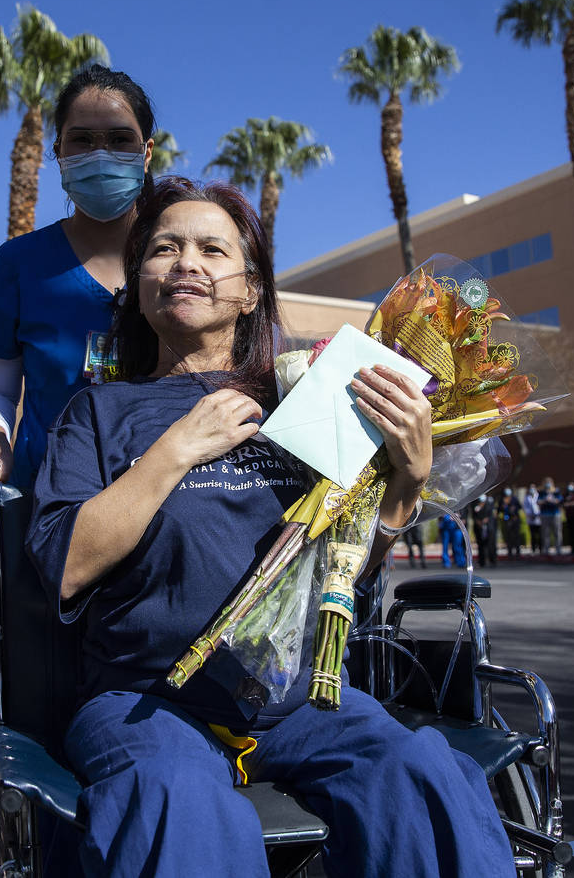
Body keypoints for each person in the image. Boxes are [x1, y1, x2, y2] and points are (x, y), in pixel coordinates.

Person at [27, 178, 513, 877]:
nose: (186, 261)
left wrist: (404, 483)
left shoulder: (305, 398)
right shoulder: (98, 413)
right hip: (146, 701)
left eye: (211, 248)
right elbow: (68, 563)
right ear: (139, 285)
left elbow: (342, 568)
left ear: (250, 290)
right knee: (176, 800)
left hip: (301, 701)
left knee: (419, 771)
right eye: (164, 248)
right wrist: (172, 451)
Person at [0, 65, 156, 493]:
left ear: (146, 153)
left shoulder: (182, 260)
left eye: (120, 139)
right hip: (49, 511)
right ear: (59, 152)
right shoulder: (19, 263)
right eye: (82, 139)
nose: (101, 154)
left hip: (169, 511)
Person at [538, 477, 563, 557]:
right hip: (545, 515)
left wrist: (552, 500)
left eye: (549, 482)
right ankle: (546, 549)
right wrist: (545, 500)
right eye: (546, 482)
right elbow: (538, 502)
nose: (548, 484)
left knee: (557, 532)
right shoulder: (541, 492)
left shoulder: (556, 491)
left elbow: (559, 501)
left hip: (555, 514)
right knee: (545, 533)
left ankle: (558, 549)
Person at [471, 493, 498, 567]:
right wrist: (478, 522)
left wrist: (487, 520)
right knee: (481, 545)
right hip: (479, 528)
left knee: (491, 544)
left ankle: (492, 560)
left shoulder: (490, 503)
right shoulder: (475, 504)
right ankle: (482, 561)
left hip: (489, 528)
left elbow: (493, 515)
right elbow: (473, 515)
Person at [498, 487, 523, 559]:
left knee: (516, 536)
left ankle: (518, 552)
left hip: (515, 519)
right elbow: (499, 510)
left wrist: (514, 509)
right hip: (507, 520)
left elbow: (519, 507)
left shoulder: (514, 499)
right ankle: (510, 552)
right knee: (509, 537)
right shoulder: (502, 500)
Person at [523, 484, 542, 554]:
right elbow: (525, 508)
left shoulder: (538, 496)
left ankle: (541, 549)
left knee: (540, 535)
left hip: (539, 518)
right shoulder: (527, 497)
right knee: (533, 535)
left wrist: (538, 514)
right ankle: (533, 549)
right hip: (531, 518)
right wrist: (530, 514)